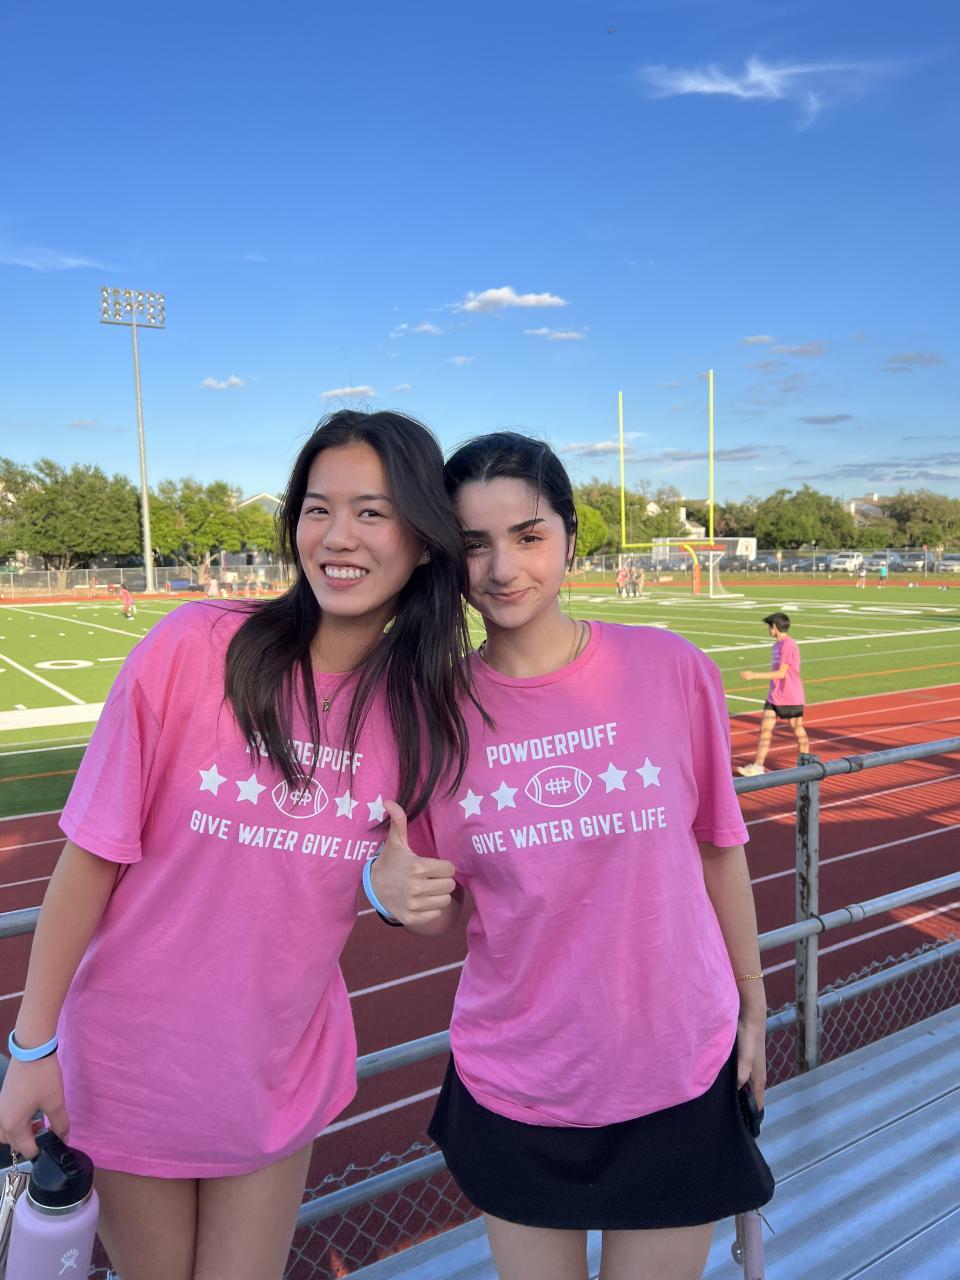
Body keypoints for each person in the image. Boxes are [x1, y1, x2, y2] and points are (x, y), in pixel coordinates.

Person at [0, 410, 475, 1280]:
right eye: (317, 508)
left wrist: (391, 890)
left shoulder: (419, 709)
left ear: (422, 541)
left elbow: (431, 902)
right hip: (133, 1063)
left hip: (275, 1071)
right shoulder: (194, 647)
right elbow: (92, 856)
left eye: (372, 512)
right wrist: (31, 1049)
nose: (338, 536)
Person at [370, 433, 773, 1280]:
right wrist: (393, 890)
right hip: (521, 1080)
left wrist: (754, 1004)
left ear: (570, 537)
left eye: (529, 536)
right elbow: (447, 914)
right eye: (474, 544)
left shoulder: (671, 668)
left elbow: (719, 848)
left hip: (677, 1066)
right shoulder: (431, 712)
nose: (502, 568)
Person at [736, 612, 809, 776]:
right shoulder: (776, 646)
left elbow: (782, 673)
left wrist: (754, 675)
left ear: (774, 627)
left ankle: (806, 764)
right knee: (765, 729)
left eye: (769, 626)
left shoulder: (788, 645)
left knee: (797, 729)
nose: (768, 629)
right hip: (774, 695)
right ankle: (758, 766)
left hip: (790, 696)